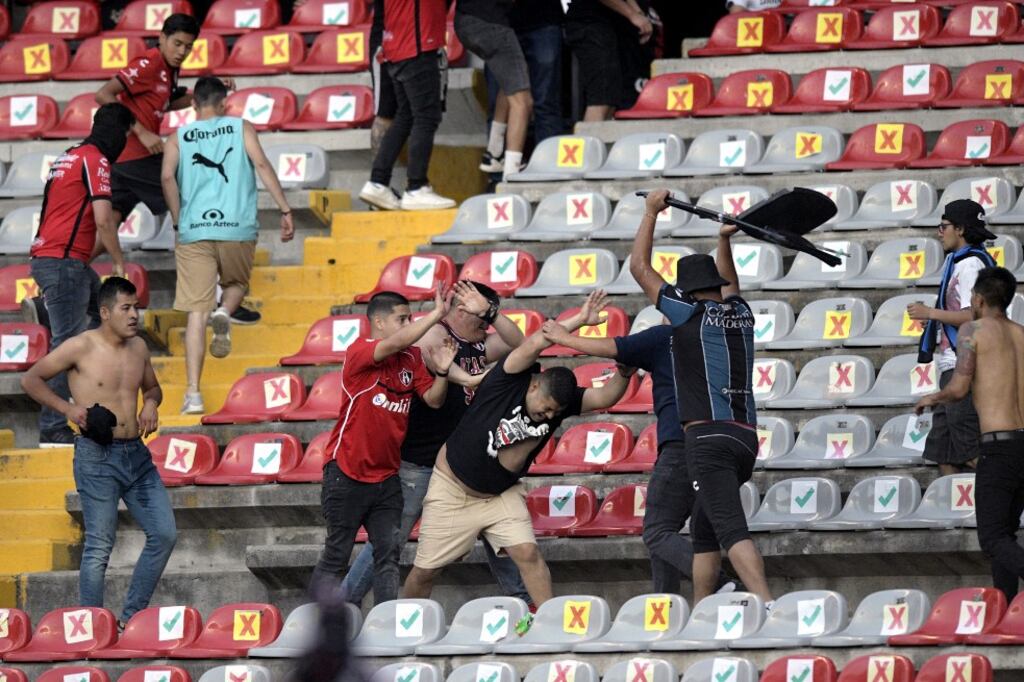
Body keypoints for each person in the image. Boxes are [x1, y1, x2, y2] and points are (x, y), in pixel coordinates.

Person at [402, 290, 635, 604]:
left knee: (528, 553)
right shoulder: (509, 377)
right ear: (535, 384)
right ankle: (405, 624)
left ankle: (547, 621)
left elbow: (605, 397)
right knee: (424, 572)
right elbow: (539, 339)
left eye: (555, 412)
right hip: (452, 490)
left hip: (500, 494)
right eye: (546, 407)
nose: (549, 415)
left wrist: (623, 373)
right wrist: (579, 319)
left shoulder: (562, 402)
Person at [341, 281, 534, 605]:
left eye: (487, 318)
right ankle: (344, 603)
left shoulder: (480, 345)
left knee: (498, 528)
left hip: (463, 461)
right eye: (479, 316)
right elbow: (437, 360)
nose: (485, 325)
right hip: (421, 462)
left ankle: (521, 599)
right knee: (390, 539)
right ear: (461, 309)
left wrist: (492, 312)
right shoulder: (437, 334)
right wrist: (473, 378)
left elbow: (522, 346)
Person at [631, 189, 772, 606]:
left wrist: (650, 213)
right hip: (745, 437)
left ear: (687, 293)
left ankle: (767, 604)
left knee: (729, 528)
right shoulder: (742, 314)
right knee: (706, 534)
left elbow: (640, 268)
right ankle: (705, 609)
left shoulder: (688, 314)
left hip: (707, 439)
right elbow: (733, 287)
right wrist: (724, 240)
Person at [541, 317, 738, 595]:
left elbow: (613, 347)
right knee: (669, 532)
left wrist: (564, 337)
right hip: (723, 445)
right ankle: (666, 608)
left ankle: (724, 585)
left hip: (682, 444)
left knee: (656, 532)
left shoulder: (664, 336)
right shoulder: (718, 337)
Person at [21, 277, 174, 628]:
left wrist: (150, 404)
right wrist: (68, 409)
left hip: (137, 456)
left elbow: (153, 388)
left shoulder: (139, 348)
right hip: (97, 456)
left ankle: (129, 620)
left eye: (136, 307)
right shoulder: (80, 346)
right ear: (105, 312)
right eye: (126, 308)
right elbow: (31, 379)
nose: (135, 314)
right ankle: (92, 628)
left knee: (164, 534)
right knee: (99, 547)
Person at [311, 285, 459, 605]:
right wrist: (435, 315)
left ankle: (385, 624)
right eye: (402, 319)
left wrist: (444, 372)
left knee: (388, 556)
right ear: (379, 323)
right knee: (336, 555)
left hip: (386, 477)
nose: (407, 325)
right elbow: (396, 341)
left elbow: (433, 400)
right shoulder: (360, 350)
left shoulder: (412, 358)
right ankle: (318, 629)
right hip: (347, 472)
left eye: (409, 319)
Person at [160, 76, 295, 415]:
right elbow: (262, 165)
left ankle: (193, 394)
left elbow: (166, 178)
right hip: (236, 226)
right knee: (235, 284)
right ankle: (225, 311)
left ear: (193, 104)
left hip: (194, 230)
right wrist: (284, 208)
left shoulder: (178, 137)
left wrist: (178, 219)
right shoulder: (241, 127)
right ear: (223, 104)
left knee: (195, 312)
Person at [28, 103, 135, 447]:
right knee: (68, 344)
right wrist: (118, 264)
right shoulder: (96, 159)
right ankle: (53, 427)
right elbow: (103, 218)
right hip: (64, 263)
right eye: (126, 135)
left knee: (100, 317)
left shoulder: (68, 155)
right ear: (117, 133)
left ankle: (47, 309)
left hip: (57, 259)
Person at [915, 267, 1024, 601]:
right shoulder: (1022, 333)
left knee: (992, 538)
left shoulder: (971, 330)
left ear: (977, 299)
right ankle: (1003, 605)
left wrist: (933, 396)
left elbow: (959, 387)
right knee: (1005, 533)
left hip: (999, 446)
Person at [909, 199, 997, 477]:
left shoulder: (971, 264)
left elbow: (975, 315)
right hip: (951, 363)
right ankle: (958, 511)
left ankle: (1006, 494)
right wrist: (934, 319)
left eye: (943, 226)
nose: (939, 231)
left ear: (959, 229)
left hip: (966, 364)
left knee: (969, 450)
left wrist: (932, 312)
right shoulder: (957, 261)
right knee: (943, 450)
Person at [358, 0, 455, 211]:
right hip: (416, 45)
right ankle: (416, 186)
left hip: (397, 45)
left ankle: (378, 181)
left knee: (405, 116)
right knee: (426, 117)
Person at [455, 0, 532, 179]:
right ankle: (512, 173)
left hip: (464, 22)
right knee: (523, 102)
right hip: (492, 24)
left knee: (510, 84)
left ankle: (494, 153)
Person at [564, 0, 653, 121]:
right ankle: (589, 139)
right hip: (590, 23)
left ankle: (599, 139)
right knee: (601, 99)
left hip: (606, 26)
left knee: (611, 99)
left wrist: (637, 12)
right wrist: (632, 14)